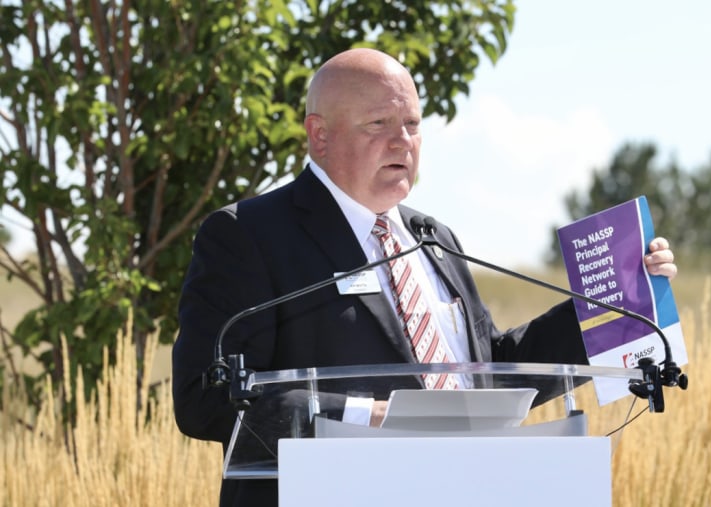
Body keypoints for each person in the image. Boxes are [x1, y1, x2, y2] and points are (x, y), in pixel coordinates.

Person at [172, 48, 677, 507]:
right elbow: (204, 400)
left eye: (413, 124)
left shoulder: (433, 237)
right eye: (379, 124)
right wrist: (368, 418)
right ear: (319, 135)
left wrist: (603, 304)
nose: (403, 140)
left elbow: (488, 371)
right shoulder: (248, 235)